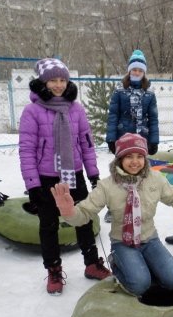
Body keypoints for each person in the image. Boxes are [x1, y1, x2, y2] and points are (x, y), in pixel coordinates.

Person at [50, 133, 173, 296]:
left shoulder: (155, 179)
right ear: (120, 159)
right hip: (123, 243)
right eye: (129, 157)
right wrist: (70, 212)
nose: (135, 162)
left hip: (150, 240)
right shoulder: (107, 186)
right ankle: (118, 263)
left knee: (172, 280)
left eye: (139, 156)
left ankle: (144, 263)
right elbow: (85, 212)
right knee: (140, 285)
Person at [19, 58, 111, 295]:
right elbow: (27, 149)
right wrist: (33, 185)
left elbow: (87, 143)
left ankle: (91, 263)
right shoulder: (32, 111)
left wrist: (93, 174)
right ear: (43, 82)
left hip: (74, 174)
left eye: (62, 80)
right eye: (53, 80)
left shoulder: (76, 109)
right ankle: (54, 270)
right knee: (48, 225)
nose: (58, 85)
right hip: (46, 178)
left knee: (83, 219)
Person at [105, 49, 159, 156]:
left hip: (142, 136)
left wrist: (154, 140)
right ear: (129, 70)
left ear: (144, 72)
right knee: (124, 164)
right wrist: (111, 138)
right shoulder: (120, 90)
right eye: (134, 69)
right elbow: (113, 115)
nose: (137, 72)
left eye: (140, 70)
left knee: (139, 165)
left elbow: (153, 118)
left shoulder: (149, 92)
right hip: (123, 135)